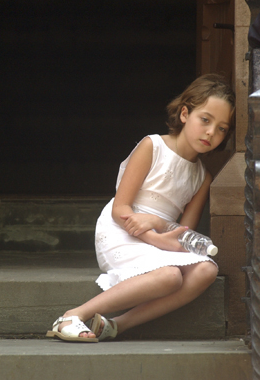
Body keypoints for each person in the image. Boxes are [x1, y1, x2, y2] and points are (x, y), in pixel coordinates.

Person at [46, 73, 235, 342]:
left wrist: (158, 227)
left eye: (222, 128)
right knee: (170, 277)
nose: (211, 133)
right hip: (121, 229)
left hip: (158, 238)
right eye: (205, 120)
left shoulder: (202, 177)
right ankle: (73, 314)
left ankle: (117, 325)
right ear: (184, 114)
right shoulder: (152, 146)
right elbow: (120, 208)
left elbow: (184, 234)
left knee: (207, 270)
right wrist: (151, 234)